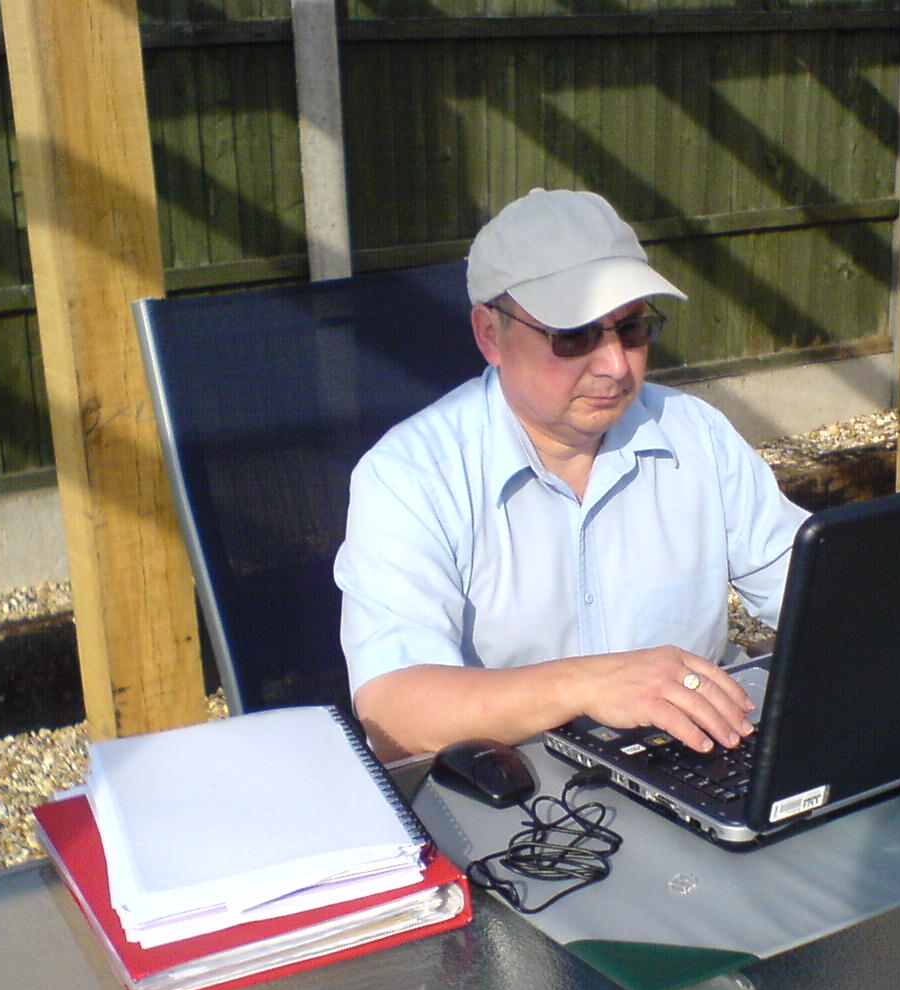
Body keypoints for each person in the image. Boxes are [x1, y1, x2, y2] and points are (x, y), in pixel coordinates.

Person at [334, 188, 809, 761]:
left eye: (632, 329)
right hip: (521, 789)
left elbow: (814, 592)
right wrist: (589, 683)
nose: (614, 365)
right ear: (490, 335)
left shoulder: (695, 434)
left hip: (697, 755)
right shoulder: (411, 476)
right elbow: (395, 710)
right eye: (575, 335)